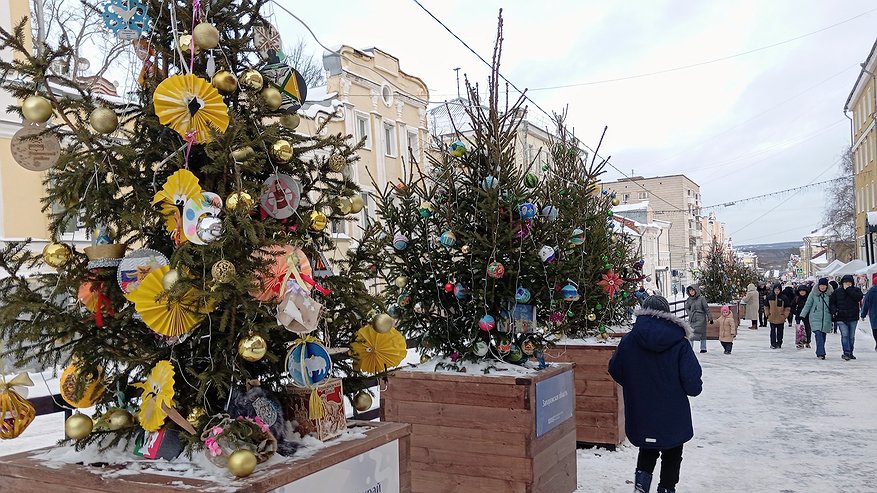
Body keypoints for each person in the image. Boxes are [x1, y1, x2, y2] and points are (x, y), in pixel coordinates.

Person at [608, 295, 703, 493]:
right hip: (673, 412)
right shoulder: (680, 342)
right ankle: (667, 488)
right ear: (666, 314)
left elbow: (616, 369)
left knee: (647, 448)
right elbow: (692, 383)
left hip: (642, 409)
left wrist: (636, 386)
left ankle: (641, 487)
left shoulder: (629, 340)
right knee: (673, 452)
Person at [830, 274, 863, 361]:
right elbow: (832, 302)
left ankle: (851, 352)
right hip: (841, 317)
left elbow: (858, 297)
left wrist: (849, 290)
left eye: (849, 282)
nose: (847, 284)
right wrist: (835, 311)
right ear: (842, 283)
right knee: (845, 335)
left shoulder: (856, 290)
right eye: (845, 282)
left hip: (853, 317)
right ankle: (846, 352)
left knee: (851, 336)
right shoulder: (837, 292)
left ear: (852, 283)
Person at [800, 278, 833, 359]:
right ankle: (821, 353)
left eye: (824, 285)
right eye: (821, 285)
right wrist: (802, 315)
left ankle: (820, 350)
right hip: (815, 317)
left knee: (823, 335)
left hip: (826, 318)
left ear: (827, 286)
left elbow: (833, 305)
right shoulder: (813, 294)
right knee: (818, 334)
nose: (822, 287)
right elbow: (808, 304)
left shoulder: (830, 294)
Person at [684, 285, 713, 353]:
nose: (691, 292)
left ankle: (703, 348)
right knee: (691, 333)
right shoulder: (689, 300)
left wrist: (710, 318)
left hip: (701, 318)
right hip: (692, 318)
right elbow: (687, 307)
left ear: (696, 290)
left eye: (692, 290)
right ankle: (690, 348)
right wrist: (690, 313)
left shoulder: (702, 299)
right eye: (690, 291)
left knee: (702, 333)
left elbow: (706, 308)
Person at [765, 283, 790, 349]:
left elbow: (787, 307)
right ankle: (773, 343)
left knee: (780, 332)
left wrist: (784, 315)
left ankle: (779, 343)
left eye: (778, 290)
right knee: (772, 331)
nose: (777, 291)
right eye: (775, 290)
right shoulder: (769, 297)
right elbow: (766, 306)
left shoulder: (784, 298)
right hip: (772, 317)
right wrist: (767, 314)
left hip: (780, 318)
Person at [860, 272, 877, 352]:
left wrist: (863, 314)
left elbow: (865, 303)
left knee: (875, 330)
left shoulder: (870, 292)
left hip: (874, 314)